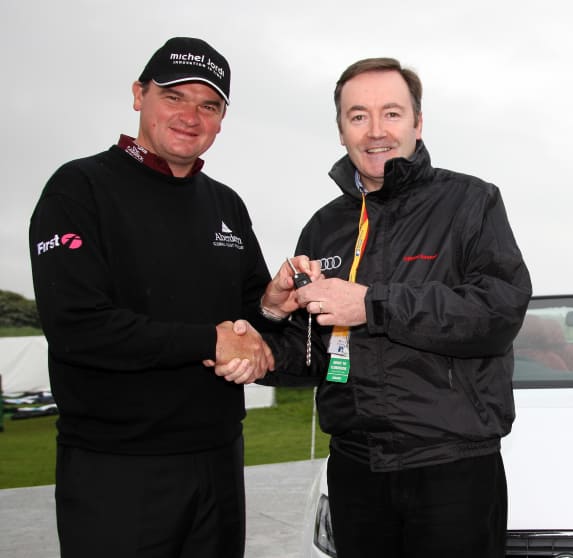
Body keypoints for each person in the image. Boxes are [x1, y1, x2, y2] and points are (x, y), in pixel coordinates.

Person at [252, 57, 532, 557]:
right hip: (357, 469)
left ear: (418, 123)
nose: (375, 131)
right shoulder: (325, 226)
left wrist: (371, 304)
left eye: (392, 113)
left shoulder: (470, 202)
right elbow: (311, 354)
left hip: (451, 466)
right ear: (341, 131)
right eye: (358, 116)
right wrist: (268, 325)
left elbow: (498, 313)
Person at [28, 37, 276, 558]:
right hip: (116, 467)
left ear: (222, 118)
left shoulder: (225, 204)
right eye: (174, 96)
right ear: (139, 95)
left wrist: (271, 307)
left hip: (218, 458)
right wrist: (208, 339)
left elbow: (247, 319)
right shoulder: (79, 188)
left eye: (209, 105)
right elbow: (78, 326)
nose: (190, 116)